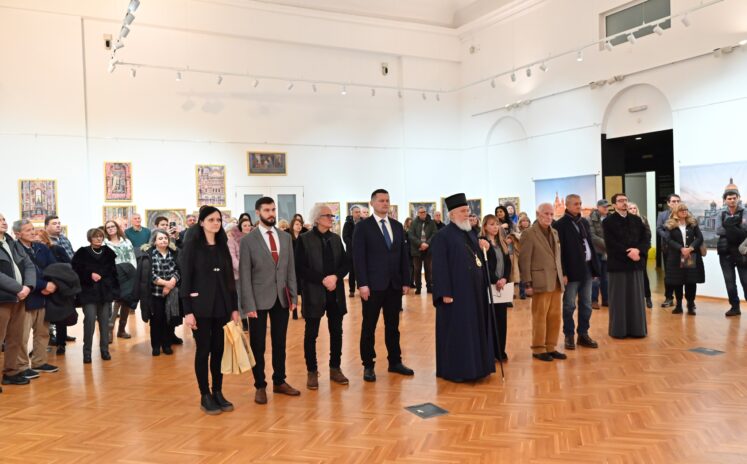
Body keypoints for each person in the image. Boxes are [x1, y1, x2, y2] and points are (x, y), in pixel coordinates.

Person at [180, 207, 240, 415]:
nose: (216, 223)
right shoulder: (192, 247)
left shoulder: (223, 245)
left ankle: (218, 391)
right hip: (200, 307)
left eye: (218, 220)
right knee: (203, 350)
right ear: (202, 223)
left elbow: (230, 279)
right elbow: (186, 279)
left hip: (222, 305)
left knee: (218, 350)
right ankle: (205, 394)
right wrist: (187, 311)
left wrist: (234, 307)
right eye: (211, 219)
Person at [240, 197, 300, 405]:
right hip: (257, 301)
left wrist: (294, 296)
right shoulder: (248, 240)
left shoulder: (285, 237)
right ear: (258, 213)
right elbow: (244, 275)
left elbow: (290, 269)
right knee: (258, 345)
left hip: (281, 298)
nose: (271, 213)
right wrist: (248, 305)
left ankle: (279, 381)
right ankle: (260, 385)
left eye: (273, 209)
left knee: (280, 343)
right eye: (267, 210)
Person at [430, 195, 495, 382]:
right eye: (463, 211)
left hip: (475, 292)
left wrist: (485, 247)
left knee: (475, 329)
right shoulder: (442, 236)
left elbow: (477, 259)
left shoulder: (471, 233)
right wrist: (444, 292)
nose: (467, 214)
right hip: (456, 293)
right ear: (452, 214)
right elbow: (439, 267)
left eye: (468, 210)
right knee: (459, 331)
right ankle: (459, 370)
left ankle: (478, 368)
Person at [353, 189, 413, 382]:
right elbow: (358, 258)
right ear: (372, 203)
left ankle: (395, 361)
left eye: (387, 200)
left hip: (394, 285)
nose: (385, 203)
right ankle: (368, 365)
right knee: (369, 327)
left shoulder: (397, 226)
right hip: (372, 286)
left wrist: (406, 280)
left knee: (393, 326)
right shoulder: (363, 227)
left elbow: (404, 256)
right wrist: (362, 284)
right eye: (381, 200)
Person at [295, 204, 350, 390]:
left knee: (337, 332)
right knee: (311, 334)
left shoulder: (335, 239)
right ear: (317, 219)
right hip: (314, 292)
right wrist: (322, 279)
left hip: (335, 292)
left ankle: (335, 368)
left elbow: (345, 263)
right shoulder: (304, 239)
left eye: (332, 216)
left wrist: (335, 277)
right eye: (328, 216)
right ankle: (312, 371)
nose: (331, 219)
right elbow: (300, 267)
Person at [12, 220, 59, 379]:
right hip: (26, 297)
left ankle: (39, 362)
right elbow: (21, 274)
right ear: (18, 234)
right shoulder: (14, 249)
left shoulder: (41, 247)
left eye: (33, 229)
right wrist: (44, 285)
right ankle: (22, 366)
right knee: (22, 335)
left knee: (43, 332)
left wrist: (52, 284)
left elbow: (53, 267)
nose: (32, 232)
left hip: (44, 296)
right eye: (28, 230)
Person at [553, 195, 600, 351]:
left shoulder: (584, 222)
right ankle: (569, 335)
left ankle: (583, 334)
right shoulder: (560, 224)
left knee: (586, 305)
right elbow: (559, 252)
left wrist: (594, 268)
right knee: (569, 305)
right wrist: (563, 273)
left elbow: (590, 245)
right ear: (567, 205)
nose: (579, 206)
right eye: (575, 204)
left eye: (580, 203)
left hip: (587, 269)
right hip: (571, 271)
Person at [520, 203, 566, 362]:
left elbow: (557, 257)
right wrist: (527, 283)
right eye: (546, 213)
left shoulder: (555, 232)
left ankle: (551, 346)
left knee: (555, 316)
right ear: (537, 214)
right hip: (539, 281)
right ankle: (538, 348)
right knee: (540, 316)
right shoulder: (529, 233)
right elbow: (524, 260)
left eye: (551, 214)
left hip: (555, 281)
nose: (549, 217)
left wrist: (562, 275)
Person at [603, 193, 650, 339]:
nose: (624, 203)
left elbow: (645, 238)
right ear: (614, 205)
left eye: (625, 200)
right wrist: (628, 252)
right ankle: (619, 331)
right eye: (620, 201)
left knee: (636, 299)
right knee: (619, 300)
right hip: (618, 265)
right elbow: (610, 243)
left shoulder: (637, 220)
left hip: (635, 264)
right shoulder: (608, 222)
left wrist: (638, 250)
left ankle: (637, 330)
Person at [0, 213, 36, 388]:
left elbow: (29, 265)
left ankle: (11, 372)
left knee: (15, 337)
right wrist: (18, 288)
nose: (3, 222)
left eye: (3, 219)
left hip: (20, 297)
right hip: (3, 299)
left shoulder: (12, 243)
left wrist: (28, 286)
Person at [72, 228, 118, 364]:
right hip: (88, 292)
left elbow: (113, 273)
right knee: (90, 320)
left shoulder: (108, 252)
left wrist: (113, 290)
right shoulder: (82, 252)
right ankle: (87, 352)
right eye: (95, 236)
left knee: (104, 322)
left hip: (105, 292)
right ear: (90, 238)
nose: (98, 238)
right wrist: (89, 274)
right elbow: (75, 271)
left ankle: (105, 350)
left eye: (100, 236)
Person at [138, 230, 181, 356]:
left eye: (165, 238)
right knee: (156, 320)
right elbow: (150, 275)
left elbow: (178, 270)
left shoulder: (174, 253)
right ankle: (156, 346)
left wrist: (171, 283)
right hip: (155, 294)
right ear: (154, 241)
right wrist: (165, 284)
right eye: (160, 238)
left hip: (171, 293)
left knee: (168, 320)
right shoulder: (149, 255)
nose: (163, 240)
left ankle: (167, 345)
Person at [481, 214, 511, 362]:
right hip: (489, 286)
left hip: (502, 286)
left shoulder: (502, 242)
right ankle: (490, 352)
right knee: (490, 320)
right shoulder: (482, 243)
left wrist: (504, 278)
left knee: (501, 320)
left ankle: (500, 351)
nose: (495, 227)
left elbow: (508, 264)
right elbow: (484, 266)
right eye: (491, 224)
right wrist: (495, 280)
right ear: (485, 226)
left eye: (497, 224)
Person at [664, 203, 705, 315]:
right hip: (676, 257)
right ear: (676, 212)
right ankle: (678, 306)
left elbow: (699, 238)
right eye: (682, 210)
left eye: (686, 209)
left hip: (690, 256)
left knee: (690, 281)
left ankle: (690, 305)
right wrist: (681, 248)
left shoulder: (692, 223)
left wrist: (690, 248)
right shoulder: (670, 224)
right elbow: (668, 240)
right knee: (677, 282)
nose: (684, 211)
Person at [104, 220, 137, 340]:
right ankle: (109, 329)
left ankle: (121, 330)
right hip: (115, 274)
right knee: (118, 300)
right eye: (108, 227)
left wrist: (135, 272)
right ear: (106, 230)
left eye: (112, 226)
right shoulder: (105, 244)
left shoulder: (126, 241)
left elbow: (132, 257)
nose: (111, 228)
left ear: (117, 227)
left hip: (129, 272)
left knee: (127, 300)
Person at [716, 189, 747, 316]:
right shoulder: (720, 213)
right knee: (729, 282)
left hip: (742, 252)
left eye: (734, 198)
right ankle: (735, 307)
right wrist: (736, 227)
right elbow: (718, 230)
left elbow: (745, 228)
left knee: (746, 281)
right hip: (725, 252)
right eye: (729, 198)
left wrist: (728, 225)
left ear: (738, 198)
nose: (732, 200)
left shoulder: (745, 212)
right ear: (725, 200)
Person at [656, 194, 681, 308]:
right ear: (668, 203)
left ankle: (685, 300)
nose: (676, 203)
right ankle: (669, 297)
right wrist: (667, 236)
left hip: (682, 249)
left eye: (678, 201)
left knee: (683, 273)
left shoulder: (684, 213)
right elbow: (659, 229)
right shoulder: (662, 215)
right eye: (673, 201)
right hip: (668, 248)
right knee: (669, 274)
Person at [628, 202, 653, 308]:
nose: (633, 210)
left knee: (643, 273)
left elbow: (648, 234)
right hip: (629, 252)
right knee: (630, 275)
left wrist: (640, 248)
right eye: (630, 208)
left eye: (635, 208)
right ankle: (634, 299)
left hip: (641, 251)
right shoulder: (624, 221)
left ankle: (648, 297)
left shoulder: (643, 219)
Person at [408, 207, 437, 295]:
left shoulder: (431, 222)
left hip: (428, 250)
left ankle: (429, 287)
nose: (422, 213)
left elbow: (435, 234)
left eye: (424, 212)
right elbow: (411, 235)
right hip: (417, 250)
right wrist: (420, 244)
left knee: (429, 270)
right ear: (418, 213)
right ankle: (418, 288)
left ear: (426, 212)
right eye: (420, 212)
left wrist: (427, 244)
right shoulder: (414, 223)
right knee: (417, 270)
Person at [587, 199, 609, 309]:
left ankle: (606, 299)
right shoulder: (590, 219)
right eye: (604, 206)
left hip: (607, 253)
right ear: (598, 207)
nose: (606, 208)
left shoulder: (610, 218)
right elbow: (592, 236)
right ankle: (594, 300)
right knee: (596, 278)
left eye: (607, 206)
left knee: (606, 278)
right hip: (596, 252)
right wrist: (608, 245)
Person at [342, 206, 362, 297]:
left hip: (362, 251)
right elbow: (345, 237)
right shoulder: (347, 224)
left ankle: (361, 288)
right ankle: (352, 290)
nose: (358, 214)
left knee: (361, 271)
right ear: (352, 213)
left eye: (359, 212)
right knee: (352, 272)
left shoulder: (363, 223)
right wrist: (354, 244)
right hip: (351, 252)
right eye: (356, 212)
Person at [513, 214, 532, 299]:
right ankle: (522, 292)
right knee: (522, 274)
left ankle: (530, 291)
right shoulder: (517, 232)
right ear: (520, 222)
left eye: (527, 221)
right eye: (523, 221)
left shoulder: (532, 231)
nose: (525, 222)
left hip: (530, 255)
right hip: (520, 255)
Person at [289, 216, 305, 320]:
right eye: (297, 224)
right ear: (292, 225)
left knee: (303, 290)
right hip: (292, 266)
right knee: (293, 290)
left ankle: (303, 311)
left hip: (301, 266)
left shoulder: (304, 237)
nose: (299, 226)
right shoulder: (288, 237)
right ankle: (294, 312)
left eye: (300, 224)